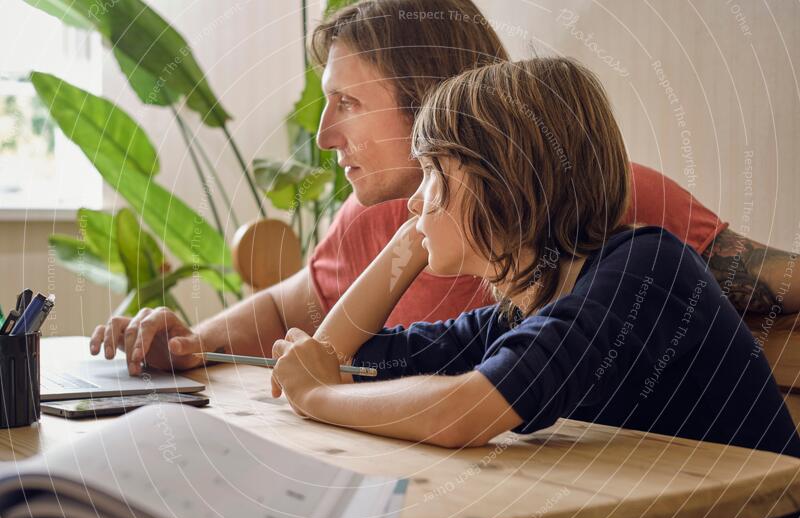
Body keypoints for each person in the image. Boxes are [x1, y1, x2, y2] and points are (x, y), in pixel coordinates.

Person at [89, 0, 800, 379]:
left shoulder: (611, 200)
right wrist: (189, 346)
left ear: (436, 103)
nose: (324, 136)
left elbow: (781, 282)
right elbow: (288, 310)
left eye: (349, 105)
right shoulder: (378, 218)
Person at [268, 57, 800, 465]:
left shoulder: (643, 271)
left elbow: (464, 412)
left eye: (432, 172)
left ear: (500, 181)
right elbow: (338, 359)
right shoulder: (521, 311)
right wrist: (406, 244)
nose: (413, 200)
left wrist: (315, 393)